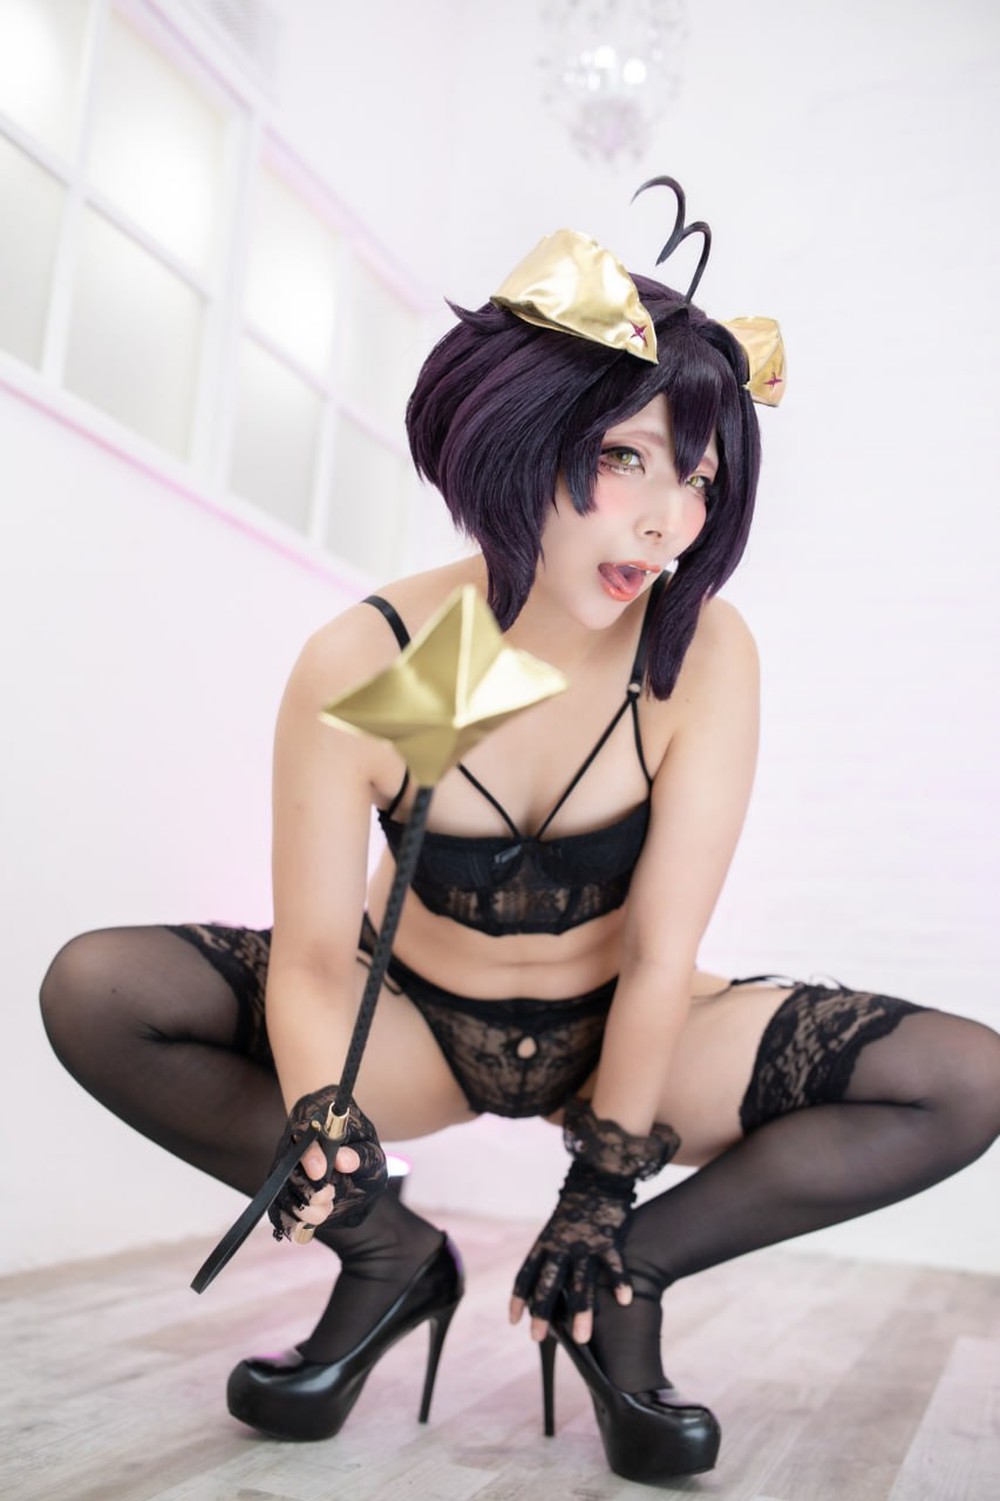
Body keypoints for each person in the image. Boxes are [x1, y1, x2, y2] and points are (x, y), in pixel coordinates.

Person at [39, 179, 1000, 1485]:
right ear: (527, 437)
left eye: (700, 480)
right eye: (628, 459)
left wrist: (602, 1197)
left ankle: (622, 1283)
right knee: (100, 987)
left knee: (962, 1077)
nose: (668, 522)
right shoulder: (384, 656)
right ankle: (387, 1257)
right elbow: (314, 958)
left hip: (624, 1036)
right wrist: (325, 1120)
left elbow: (660, 955)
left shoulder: (697, 654)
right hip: (416, 1029)